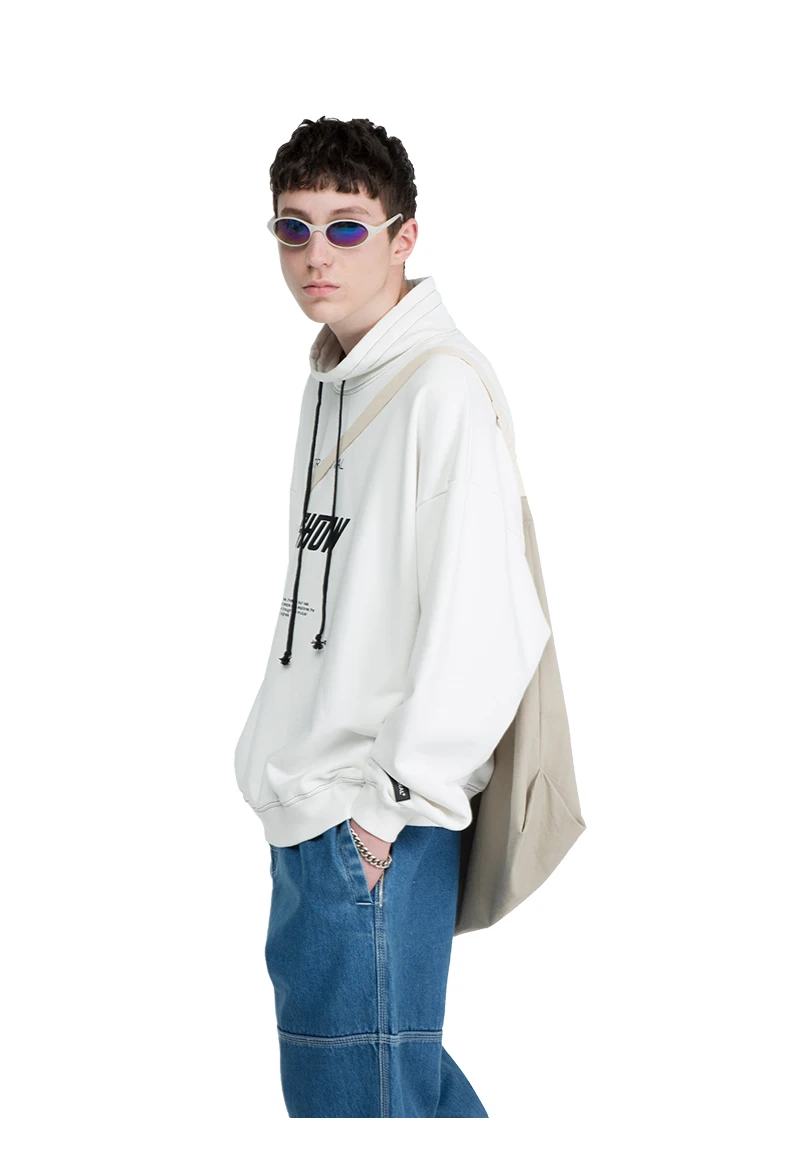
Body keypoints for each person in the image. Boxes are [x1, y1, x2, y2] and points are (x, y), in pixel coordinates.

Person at [234, 116, 551, 1117]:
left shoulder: (440, 388)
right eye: (293, 228)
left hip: (371, 822)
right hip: (313, 814)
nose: (316, 255)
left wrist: (380, 814)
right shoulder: (330, 380)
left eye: (346, 227)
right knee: (398, 1101)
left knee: (366, 1117)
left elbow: (488, 622)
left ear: (404, 236)